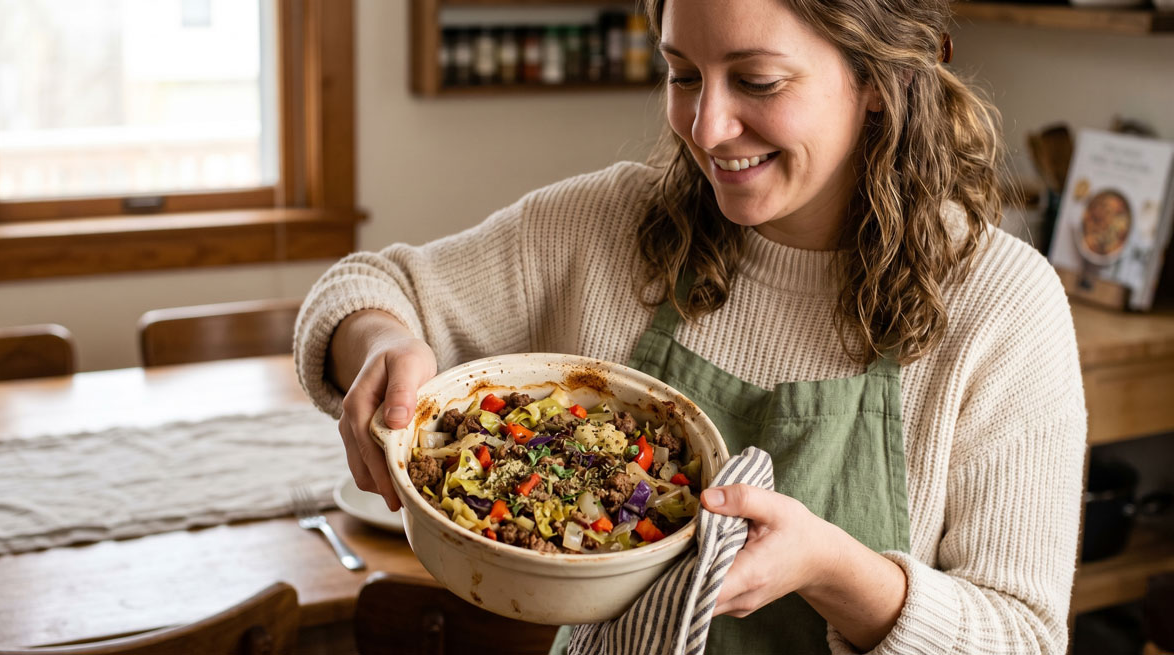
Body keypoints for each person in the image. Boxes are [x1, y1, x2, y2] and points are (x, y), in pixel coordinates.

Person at [293, 0, 1086, 652]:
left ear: (878, 77)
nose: (706, 128)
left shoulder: (1002, 305)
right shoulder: (606, 225)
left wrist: (833, 569)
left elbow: (1022, 635)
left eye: (758, 80)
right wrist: (382, 341)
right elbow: (371, 285)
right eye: (682, 74)